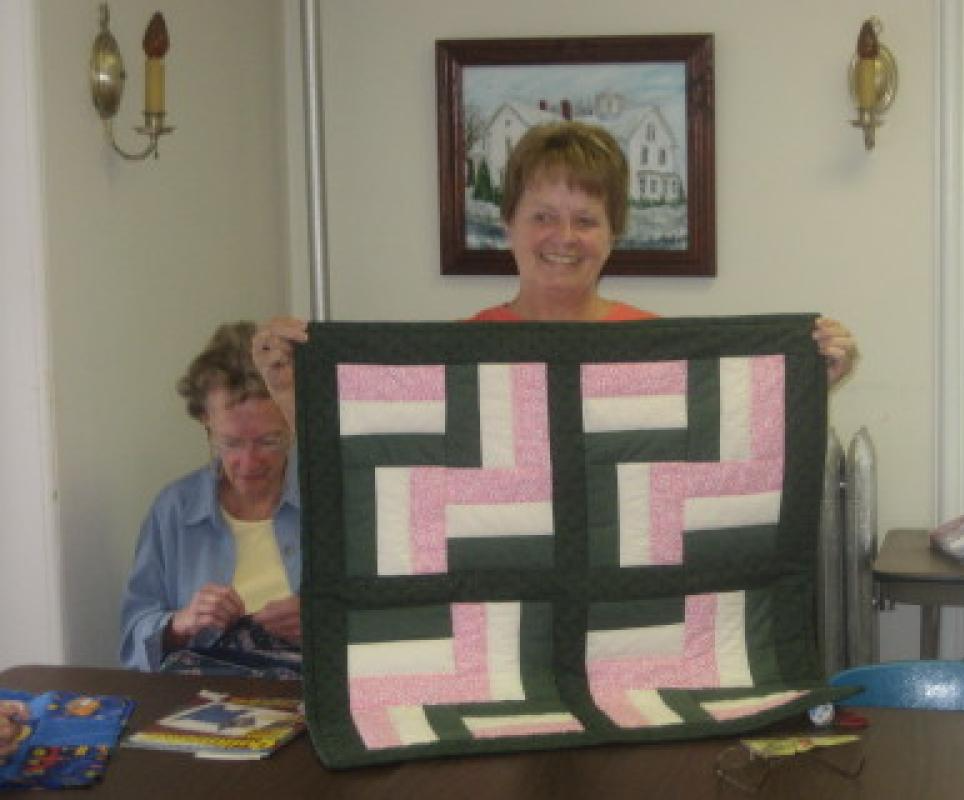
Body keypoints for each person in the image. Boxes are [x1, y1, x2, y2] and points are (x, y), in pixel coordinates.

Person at [253, 120, 858, 430]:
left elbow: (737, 446)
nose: (564, 239)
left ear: (614, 232)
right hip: (500, 619)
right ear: (507, 223)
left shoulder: (656, 349)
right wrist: (287, 392)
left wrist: (812, 381)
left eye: (586, 220)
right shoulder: (461, 352)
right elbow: (372, 463)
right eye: (543, 216)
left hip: (628, 614)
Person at [118, 322, 303, 672]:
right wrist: (180, 624)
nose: (249, 463)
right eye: (231, 443)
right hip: (200, 697)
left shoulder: (333, 500)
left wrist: (324, 624)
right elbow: (132, 642)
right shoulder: (174, 509)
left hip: (307, 691)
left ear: (293, 424)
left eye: (269, 441)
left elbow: (395, 624)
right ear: (206, 422)